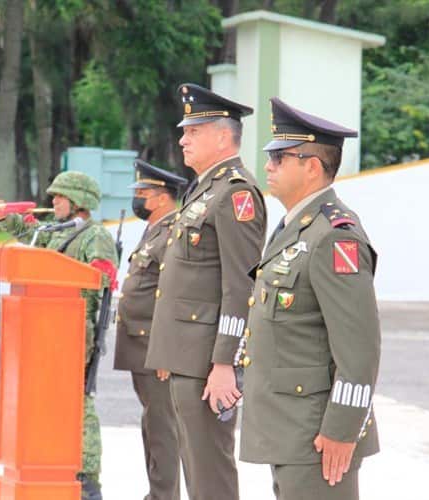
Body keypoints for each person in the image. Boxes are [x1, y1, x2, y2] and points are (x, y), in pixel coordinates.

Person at [238, 97, 381, 500]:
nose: (268, 166)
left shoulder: (334, 236)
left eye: (280, 157)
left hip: (319, 436)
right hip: (291, 429)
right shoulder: (295, 227)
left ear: (312, 166)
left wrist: (343, 428)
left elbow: (359, 350)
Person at [145, 83, 267, 500]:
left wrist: (224, 364)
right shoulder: (204, 188)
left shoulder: (235, 194)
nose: (182, 139)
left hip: (207, 362)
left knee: (209, 474)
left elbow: (241, 287)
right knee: (195, 470)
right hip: (187, 356)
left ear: (220, 136)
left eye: (192, 131)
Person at [0, 171, 118, 500]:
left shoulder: (95, 236)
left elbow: (100, 278)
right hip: (49, 329)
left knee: (78, 404)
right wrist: (3, 218)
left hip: (75, 330)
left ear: (79, 201)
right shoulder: (63, 231)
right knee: (51, 403)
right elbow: (34, 235)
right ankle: (50, 462)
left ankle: (87, 476)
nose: (54, 202)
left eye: (60, 196)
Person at [113, 159, 187, 500]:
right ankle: (157, 492)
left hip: (154, 348)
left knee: (162, 427)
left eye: (143, 193)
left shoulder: (173, 233)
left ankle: (163, 496)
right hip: (142, 346)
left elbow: (175, 295)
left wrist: (167, 349)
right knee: (152, 424)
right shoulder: (155, 230)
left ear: (161, 197)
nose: (138, 199)